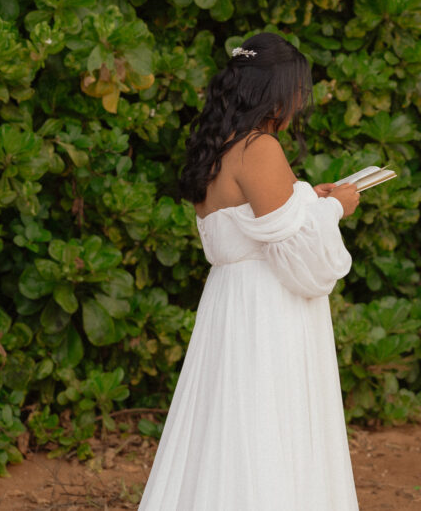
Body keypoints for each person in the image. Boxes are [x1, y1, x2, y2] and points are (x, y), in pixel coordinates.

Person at [139, 32, 361, 510]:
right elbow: (299, 254)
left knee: (226, 425)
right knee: (268, 420)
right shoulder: (260, 147)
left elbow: (261, 218)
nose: (300, 102)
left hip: (228, 302)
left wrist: (306, 198)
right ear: (274, 90)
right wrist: (336, 208)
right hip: (267, 309)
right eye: (298, 90)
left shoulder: (217, 145)